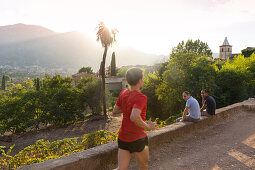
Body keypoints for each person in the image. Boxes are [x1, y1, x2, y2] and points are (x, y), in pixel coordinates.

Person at [113, 67, 156, 170]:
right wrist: (148, 126)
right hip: (138, 139)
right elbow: (134, 117)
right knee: (143, 166)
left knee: (121, 168)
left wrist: (129, 109)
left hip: (123, 137)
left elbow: (115, 110)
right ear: (140, 80)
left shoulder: (123, 93)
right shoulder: (141, 97)